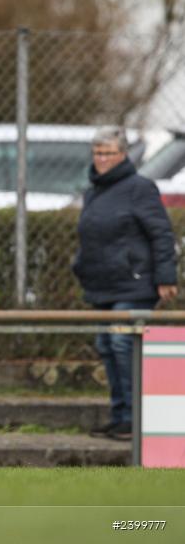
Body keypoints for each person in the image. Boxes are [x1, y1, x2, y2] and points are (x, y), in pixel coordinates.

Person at [73, 127, 178, 441]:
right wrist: (79, 266)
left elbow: (161, 234)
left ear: (123, 155)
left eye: (108, 153)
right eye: (97, 153)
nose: (102, 159)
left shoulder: (139, 188)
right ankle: (120, 416)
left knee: (122, 343)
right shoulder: (93, 191)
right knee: (106, 346)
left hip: (134, 284)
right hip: (102, 284)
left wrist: (165, 277)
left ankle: (135, 418)